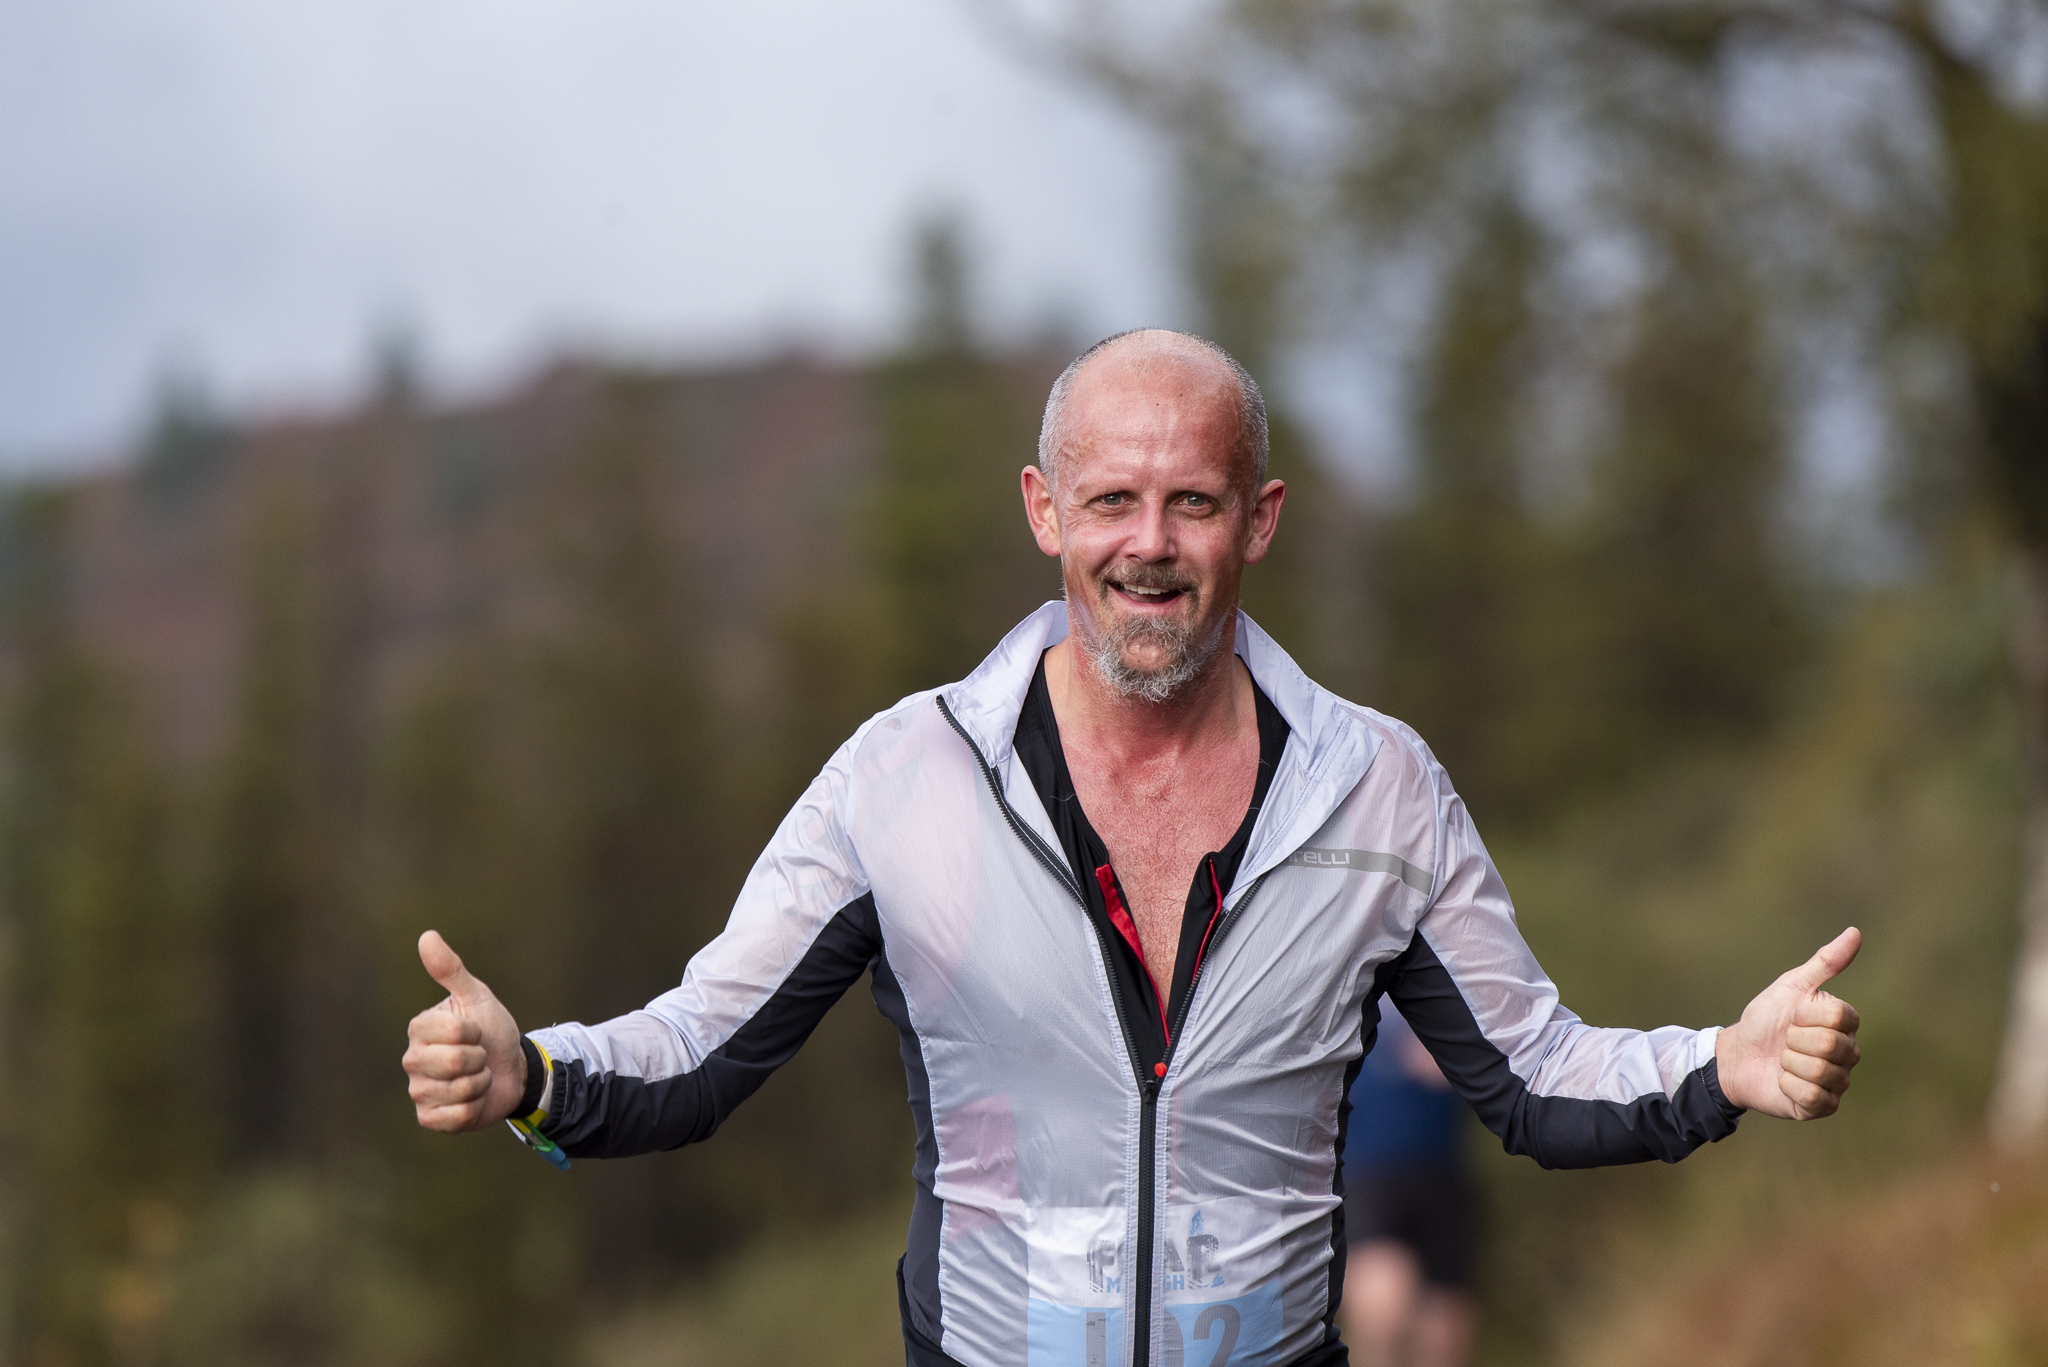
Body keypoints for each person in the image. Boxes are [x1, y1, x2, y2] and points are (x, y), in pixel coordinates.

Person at [403, 329, 1864, 1367]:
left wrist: (1723, 1062)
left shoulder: (1379, 789)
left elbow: (1534, 1073)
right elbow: (700, 1047)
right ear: (1045, 510)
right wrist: (533, 1071)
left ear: (1258, 521)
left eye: (1192, 500)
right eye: (1110, 498)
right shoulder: (904, 778)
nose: (1147, 543)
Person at [1339, 999, 1477, 1367]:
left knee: (1443, 1332)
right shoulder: (1347, 986)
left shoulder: (1454, 984)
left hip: (1441, 1167)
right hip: (1368, 1168)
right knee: (1384, 1302)